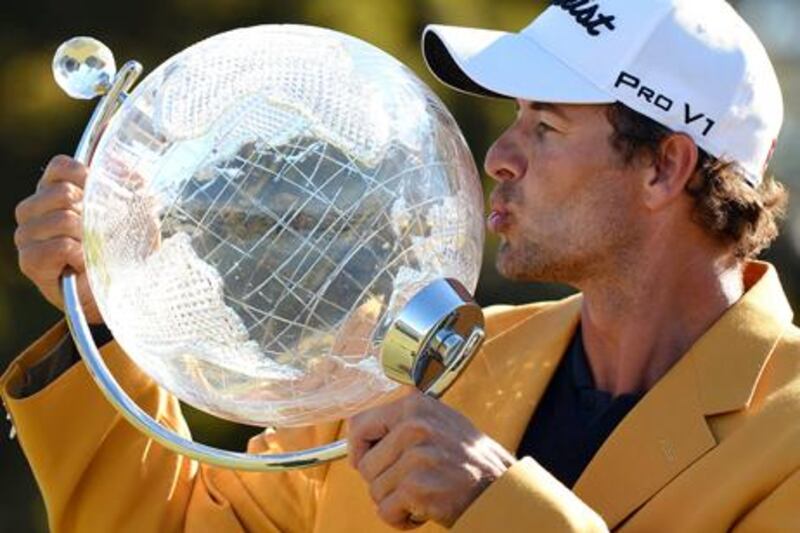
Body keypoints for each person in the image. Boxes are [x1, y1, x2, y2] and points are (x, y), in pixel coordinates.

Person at [3, 0, 799, 531]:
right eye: (515, 118)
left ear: (665, 166)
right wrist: (98, 323)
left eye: (547, 126)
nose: (499, 156)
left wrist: (499, 506)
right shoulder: (409, 366)